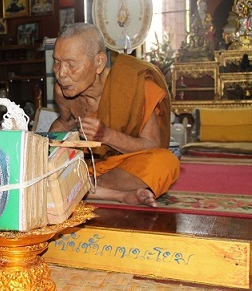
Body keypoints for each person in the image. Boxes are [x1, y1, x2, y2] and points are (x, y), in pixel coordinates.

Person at [49, 23, 180, 207]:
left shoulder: (132, 84)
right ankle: (116, 195)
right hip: (87, 166)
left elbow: (152, 146)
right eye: (57, 62)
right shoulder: (63, 91)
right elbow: (64, 123)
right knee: (46, 168)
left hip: (123, 167)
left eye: (71, 64)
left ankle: (78, 188)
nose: (61, 74)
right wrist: (45, 152)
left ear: (99, 63)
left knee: (165, 163)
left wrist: (107, 135)